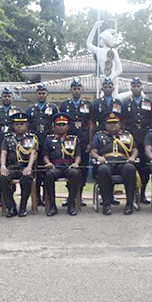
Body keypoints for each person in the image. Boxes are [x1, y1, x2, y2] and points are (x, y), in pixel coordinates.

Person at [90, 112, 138, 216]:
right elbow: (93, 151)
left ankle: (129, 204)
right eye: (110, 123)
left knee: (130, 168)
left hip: (123, 162)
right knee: (103, 170)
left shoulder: (126, 135)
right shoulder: (99, 136)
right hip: (107, 162)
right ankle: (106, 204)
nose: (113, 125)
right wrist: (99, 157)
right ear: (106, 125)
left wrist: (132, 157)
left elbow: (134, 149)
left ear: (119, 124)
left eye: (115, 123)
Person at [59, 78, 94, 206]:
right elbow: (61, 124)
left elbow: (91, 124)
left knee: (82, 168)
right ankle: (70, 196)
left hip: (83, 140)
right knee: (68, 167)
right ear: (71, 90)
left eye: (79, 88)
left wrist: (90, 142)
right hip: (69, 141)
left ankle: (80, 196)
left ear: (82, 90)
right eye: (74, 88)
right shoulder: (64, 105)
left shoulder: (88, 104)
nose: (76, 90)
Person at [0, 112, 38, 217]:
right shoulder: (7, 138)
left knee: (27, 178)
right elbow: (3, 153)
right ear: (13, 126)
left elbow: (33, 154)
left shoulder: (31, 138)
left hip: (25, 167)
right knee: (2, 178)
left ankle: (23, 206)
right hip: (11, 167)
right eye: (17, 124)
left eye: (22, 124)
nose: (19, 126)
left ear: (26, 125)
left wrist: (29, 167)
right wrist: (3, 166)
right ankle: (11, 207)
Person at [43, 113, 82, 216]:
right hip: (55, 166)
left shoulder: (73, 139)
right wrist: (48, 163)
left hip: (69, 166)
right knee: (49, 174)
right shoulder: (49, 139)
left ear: (68, 126)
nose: (61, 127)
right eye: (58, 125)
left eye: (63, 125)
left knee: (75, 173)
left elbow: (78, 155)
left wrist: (76, 163)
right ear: (54, 126)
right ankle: (52, 205)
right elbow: (45, 156)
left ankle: (71, 204)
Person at [123, 77, 152, 204]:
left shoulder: (148, 103)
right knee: (131, 166)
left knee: (145, 167)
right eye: (134, 86)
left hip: (145, 137)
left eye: (138, 86)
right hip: (131, 137)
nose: (136, 88)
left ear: (142, 88)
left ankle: (142, 195)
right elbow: (123, 123)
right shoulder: (126, 104)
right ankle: (133, 194)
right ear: (131, 88)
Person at [27, 84, 59, 207]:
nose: (41, 95)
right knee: (36, 172)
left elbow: (56, 125)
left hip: (48, 142)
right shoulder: (31, 108)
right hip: (35, 143)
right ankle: (37, 197)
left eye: (43, 93)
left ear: (47, 94)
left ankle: (47, 197)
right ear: (36, 94)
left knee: (47, 170)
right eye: (39, 93)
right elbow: (28, 125)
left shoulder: (53, 107)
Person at [0, 87, 23, 207]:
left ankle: (11, 194)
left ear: (12, 98)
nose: (7, 98)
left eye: (9, 96)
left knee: (13, 168)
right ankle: (0, 196)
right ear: (1, 98)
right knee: (0, 170)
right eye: (4, 96)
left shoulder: (17, 110)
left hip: (14, 144)